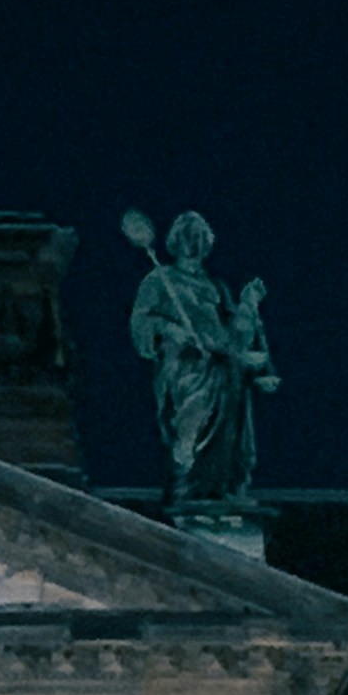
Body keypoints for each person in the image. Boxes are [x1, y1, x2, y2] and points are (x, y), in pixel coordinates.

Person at [127, 208, 277, 508]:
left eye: (199, 236)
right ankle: (187, 486)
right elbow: (140, 321)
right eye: (188, 236)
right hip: (185, 367)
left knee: (226, 437)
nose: (193, 242)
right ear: (177, 242)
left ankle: (218, 490)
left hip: (223, 370)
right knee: (191, 426)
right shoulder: (160, 279)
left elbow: (234, 334)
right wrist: (169, 328)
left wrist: (248, 303)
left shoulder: (215, 287)